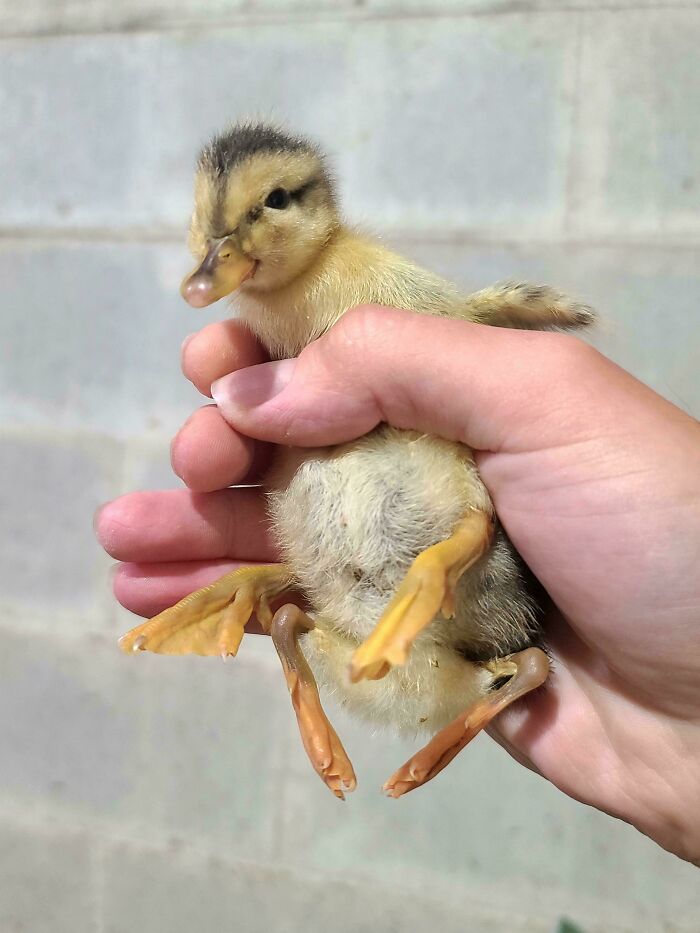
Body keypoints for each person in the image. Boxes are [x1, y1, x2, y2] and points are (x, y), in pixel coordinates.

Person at [95, 306, 700, 866]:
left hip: (434, 626)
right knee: (292, 613)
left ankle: (400, 656)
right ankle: (360, 673)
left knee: (292, 614)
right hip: (414, 632)